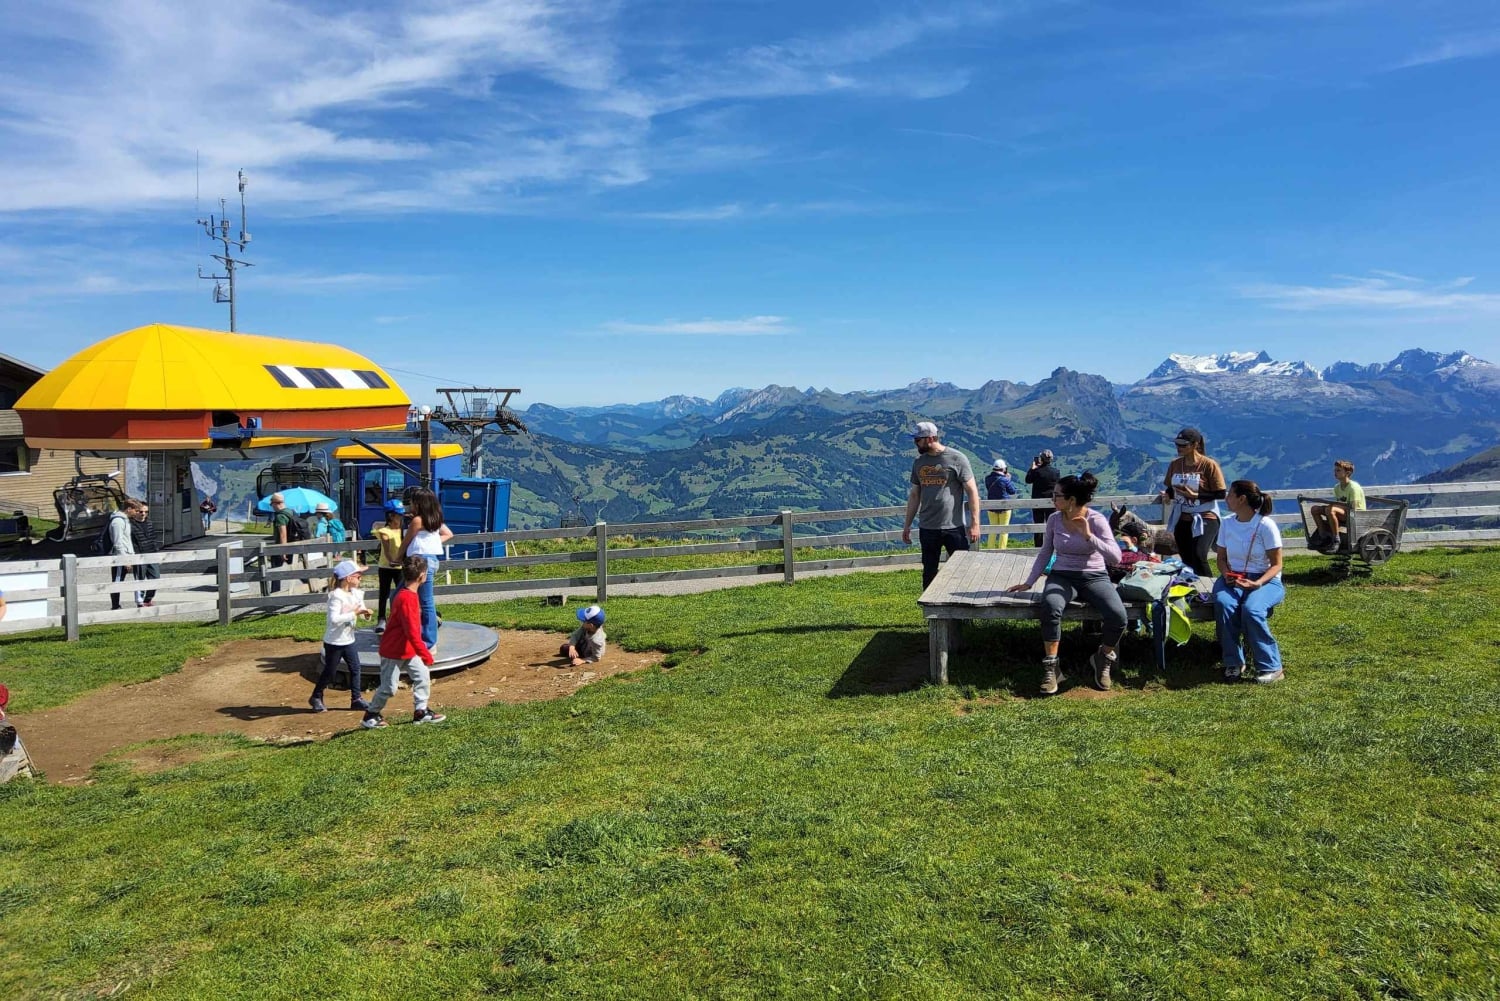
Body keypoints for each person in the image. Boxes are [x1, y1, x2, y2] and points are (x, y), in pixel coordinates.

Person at [1007, 472, 1126, 695]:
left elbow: (1116, 557)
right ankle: (1052, 668)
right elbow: (1046, 552)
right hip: (1062, 575)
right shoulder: (1054, 519)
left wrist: (1089, 535)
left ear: (1071, 500)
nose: (1053, 499)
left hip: (1095, 576)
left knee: (1118, 615)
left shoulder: (1096, 520)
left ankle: (1102, 657)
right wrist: (1029, 582)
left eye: (1057, 495)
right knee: (1051, 606)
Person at [1213, 479, 1286, 683]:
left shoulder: (1266, 525)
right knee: (1223, 603)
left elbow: (1277, 565)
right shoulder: (1227, 523)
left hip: (1266, 580)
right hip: (1233, 577)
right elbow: (1221, 558)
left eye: (1230, 495)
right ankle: (1233, 662)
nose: (1226, 498)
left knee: (1252, 609)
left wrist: (1258, 583)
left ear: (1242, 499)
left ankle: (1272, 667)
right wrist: (1227, 573)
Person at [362, 556, 444, 728]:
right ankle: (371, 715)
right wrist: (425, 654)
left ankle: (420, 712)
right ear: (422, 576)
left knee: (422, 676)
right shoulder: (407, 599)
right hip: (393, 651)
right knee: (388, 688)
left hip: (407, 649)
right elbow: (413, 633)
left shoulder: (406, 595)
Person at [900, 421, 982, 589]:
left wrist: (975, 524)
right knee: (929, 572)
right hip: (928, 527)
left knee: (963, 569)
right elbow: (915, 495)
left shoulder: (957, 458)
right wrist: (907, 525)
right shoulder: (919, 462)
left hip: (954, 526)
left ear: (930, 438)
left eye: (918, 440)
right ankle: (931, 612)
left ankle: (964, 609)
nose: (915, 443)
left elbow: (972, 491)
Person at [1157, 428, 1226, 576]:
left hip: (1206, 515)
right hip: (1182, 515)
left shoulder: (1209, 465)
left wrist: (1196, 495)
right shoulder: (1175, 464)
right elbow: (1171, 487)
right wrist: (1169, 494)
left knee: (1199, 554)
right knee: (1186, 556)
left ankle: (1208, 587)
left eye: (1183, 445)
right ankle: (1193, 589)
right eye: (1177, 444)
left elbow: (1220, 493)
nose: (1179, 448)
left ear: (1195, 445)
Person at [309, 560, 374, 713]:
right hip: (334, 642)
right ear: (348, 578)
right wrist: (355, 613)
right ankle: (316, 696)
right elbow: (334, 619)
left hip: (349, 639)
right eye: (358, 576)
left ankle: (356, 699)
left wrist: (365, 614)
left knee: (356, 668)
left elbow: (361, 608)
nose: (360, 578)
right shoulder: (336, 596)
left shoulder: (356, 593)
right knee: (330, 672)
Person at [399, 488, 453, 651]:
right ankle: (418, 633)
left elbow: (406, 542)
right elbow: (449, 534)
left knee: (423, 600)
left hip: (419, 562)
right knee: (416, 599)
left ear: (418, 504)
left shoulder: (417, 521)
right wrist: (433, 543)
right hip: (431, 560)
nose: (410, 504)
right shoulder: (435, 520)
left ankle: (429, 642)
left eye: (413, 502)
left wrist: (396, 557)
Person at [1309, 459, 1365, 552]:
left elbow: (1353, 507)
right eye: (1335, 470)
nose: (1335, 472)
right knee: (1315, 509)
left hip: (1355, 515)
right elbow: (1339, 504)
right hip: (1344, 513)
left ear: (1347, 473)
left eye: (1338, 470)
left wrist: (1332, 508)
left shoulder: (1353, 487)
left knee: (1331, 510)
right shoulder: (1337, 487)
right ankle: (1323, 537)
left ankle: (1336, 540)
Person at [372, 499, 406, 633]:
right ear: (391, 516)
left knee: (401, 594)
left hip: (400, 568)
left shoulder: (404, 530)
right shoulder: (385, 531)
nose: (401, 517)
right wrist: (393, 560)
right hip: (386, 567)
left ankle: (398, 618)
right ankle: (381, 619)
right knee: (384, 593)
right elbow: (386, 550)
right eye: (399, 515)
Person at [107, 498, 139, 611]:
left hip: (129, 554)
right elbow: (118, 542)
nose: (137, 513)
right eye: (135, 510)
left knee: (135, 579)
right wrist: (124, 560)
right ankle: (115, 605)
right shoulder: (118, 522)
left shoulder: (125, 520)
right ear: (129, 509)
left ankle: (139, 601)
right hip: (120, 556)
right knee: (117, 580)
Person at [1024, 450, 1061, 547]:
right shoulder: (1056, 472)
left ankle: (1038, 546)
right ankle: (1052, 545)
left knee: (1038, 525)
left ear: (1041, 459)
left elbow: (1028, 480)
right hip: (1051, 502)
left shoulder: (1036, 472)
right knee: (1052, 524)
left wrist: (1032, 468)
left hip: (1037, 502)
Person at [129, 502, 162, 608]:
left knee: (156, 577)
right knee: (140, 580)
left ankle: (148, 599)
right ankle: (140, 601)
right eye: (141, 511)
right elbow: (131, 542)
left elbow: (154, 539)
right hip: (139, 556)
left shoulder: (149, 523)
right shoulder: (130, 525)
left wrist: (157, 553)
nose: (143, 514)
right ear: (136, 512)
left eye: (146, 512)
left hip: (151, 554)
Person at [983, 458, 1019, 550]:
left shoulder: (987, 479)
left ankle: (990, 549)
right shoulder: (1005, 480)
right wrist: (1008, 479)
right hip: (1005, 508)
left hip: (991, 508)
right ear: (1003, 469)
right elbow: (1012, 491)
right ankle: (1002, 549)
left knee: (992, 530)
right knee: (1004, 531)